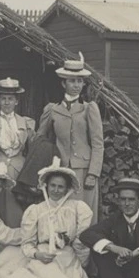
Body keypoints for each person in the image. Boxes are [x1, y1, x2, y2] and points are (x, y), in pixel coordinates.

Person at [0, 157, 93, 278]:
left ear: (67, 189)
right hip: (42, 256)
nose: (55, 190)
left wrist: (82, 263)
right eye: (52, 186)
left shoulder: (77, 208)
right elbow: (27, 243)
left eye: (60, 187)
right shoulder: (36, 210)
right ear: (46, 186)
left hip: (66, 257)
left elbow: (81, 242)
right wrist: (37, 254)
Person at [37, 52, 104, 217]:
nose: (76, 85)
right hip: (61, 171)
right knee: (62, 213)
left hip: (83, 170)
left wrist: (93, 173)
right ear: (63, 83)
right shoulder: (52, 110)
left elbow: (98, 143)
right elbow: (40, 139)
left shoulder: (89, 108)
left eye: (80, 81)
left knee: (84, 213)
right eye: (72, 81)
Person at [0, 77, 36, 228]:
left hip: (19, 170)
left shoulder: (26, 122)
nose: (7, 102)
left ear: (16, 101)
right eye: (3, 99)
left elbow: (32, 149)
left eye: (10, 99)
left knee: (18, 207)